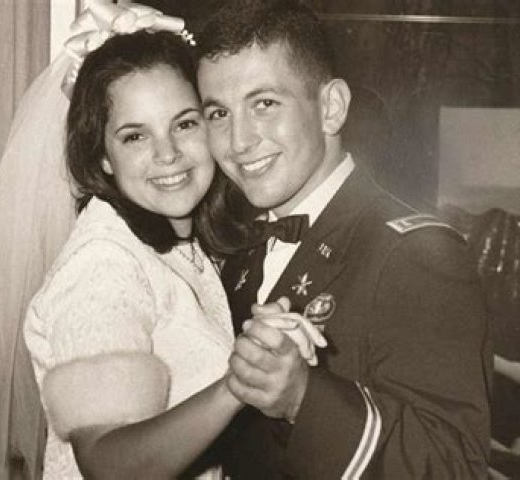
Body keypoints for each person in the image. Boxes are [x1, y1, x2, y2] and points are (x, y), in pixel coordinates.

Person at [195, 0, 493, 478]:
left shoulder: (417, 255)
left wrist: (303, 398)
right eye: (218, 113)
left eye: (264, 104)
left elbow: (455, 466)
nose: (238, 141)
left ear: (331, 108)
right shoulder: (237, 248)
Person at [22, 18, 323, 479]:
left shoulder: (178, 242)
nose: (168, 155)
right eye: (135, 136)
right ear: (102, 156)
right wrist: (236, 385)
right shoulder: (103, 264)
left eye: (184, 124)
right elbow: (107, 464)